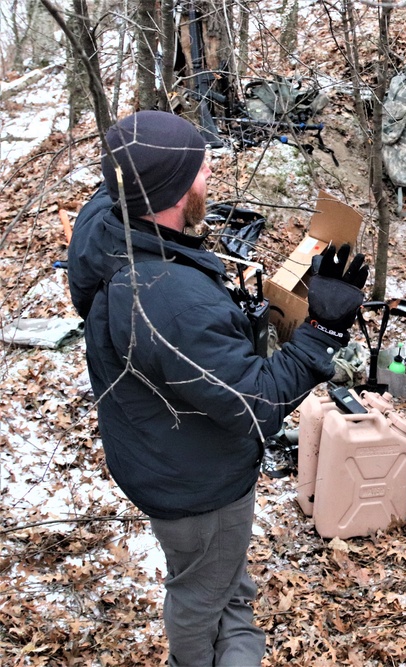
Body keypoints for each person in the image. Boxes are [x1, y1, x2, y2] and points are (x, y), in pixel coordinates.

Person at [67, 111, 367, 666]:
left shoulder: (108, 222)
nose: (211, 174)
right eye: (201, 171)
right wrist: (321, 333)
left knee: (217, 580)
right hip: (197, 485)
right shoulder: (165, 297)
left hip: (161, 446)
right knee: (202, 597)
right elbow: (257, 405)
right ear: (174, 192)